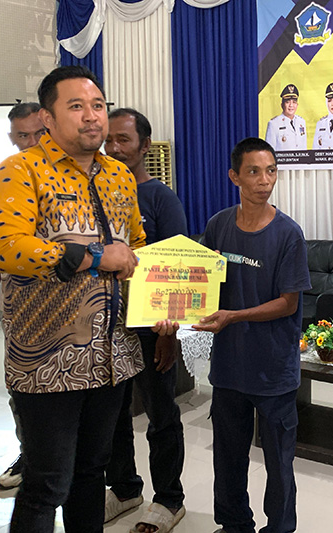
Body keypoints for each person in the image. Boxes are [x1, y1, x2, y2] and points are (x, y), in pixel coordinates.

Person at [0, 65, 175, 532]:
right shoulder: (20, 171)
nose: (92, 116)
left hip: (112, 358)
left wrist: (163, 301)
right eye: (76, 106)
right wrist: (94, 256)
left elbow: (137, 246)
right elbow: (2, 246)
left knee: (91, 473)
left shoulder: (119, 177)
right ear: (48, 118)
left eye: (98, 105)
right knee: (47, 483)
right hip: (47, 361)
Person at [194, 138, 311, 533]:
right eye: (254, 172)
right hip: (229, 368)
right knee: (227, 458)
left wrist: (234, 316)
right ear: (235, 177)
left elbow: (288, 303)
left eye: (271, 171)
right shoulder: (218, 225)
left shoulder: (289, 234)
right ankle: (234, 525)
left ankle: (279, 528)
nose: (265, 181)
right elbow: (203, 284)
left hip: (273, 370)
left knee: (279, 462)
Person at [102, 108, 188, 532]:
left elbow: (177, 266)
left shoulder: (159, 198)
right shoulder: (96, 192)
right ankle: (124, 489)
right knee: (113, 414)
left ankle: (169, 498)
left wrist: (169, 333)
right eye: (109, 140)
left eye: (124, 139)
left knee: (160, 413)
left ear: (145, 146)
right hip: (106, 327)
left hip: (151, 327)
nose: (115, 148)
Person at [0, 101, 46, 491]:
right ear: (12, 138)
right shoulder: (7, 179)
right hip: (21, 308)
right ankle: (29, 457)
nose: (32, 142)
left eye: (39, 133)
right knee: (21, 388)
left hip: (71, 312)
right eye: (23, 135)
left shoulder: (70, 178)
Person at [265, 84, 308, 151]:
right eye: (287, 102)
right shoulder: (274, 124)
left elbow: (304, 148)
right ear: (282, 105)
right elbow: (269, 151)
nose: (291, 105)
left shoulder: (301, 122)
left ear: (297, 105)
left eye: (294, 102)